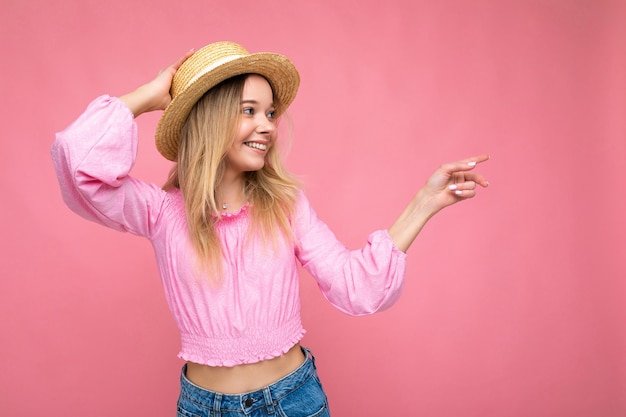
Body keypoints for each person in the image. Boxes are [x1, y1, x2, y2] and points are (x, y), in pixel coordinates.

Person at [51, 41, 489, 416]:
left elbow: (358, 287)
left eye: (271, 113)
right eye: (249, 111)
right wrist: (149, 96)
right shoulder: (159, 211)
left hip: (293, 400)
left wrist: (425, 202)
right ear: (211, 118)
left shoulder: (286, 206)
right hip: (202, 406)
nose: (268, 125)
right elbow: (78, 164)